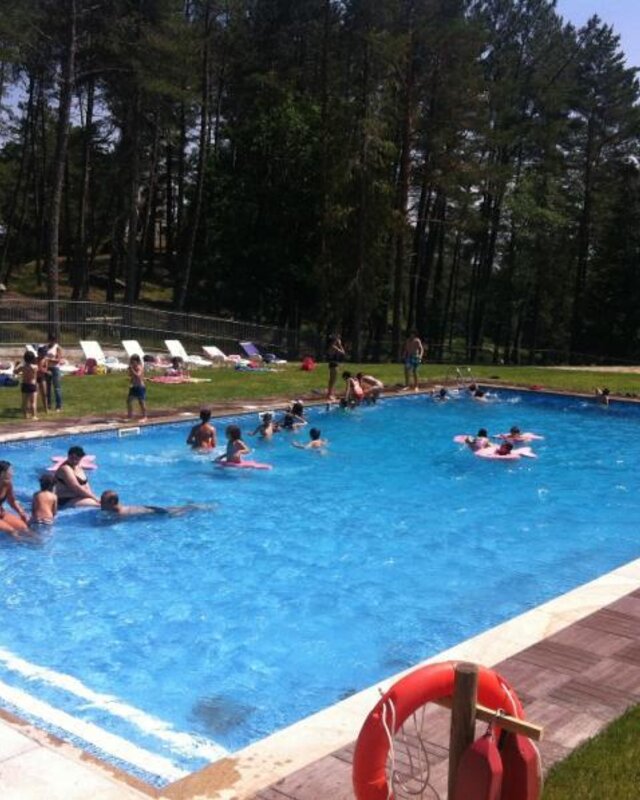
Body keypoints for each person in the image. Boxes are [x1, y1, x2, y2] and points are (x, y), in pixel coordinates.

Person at [100, 490, 196, 517]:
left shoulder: (120, 514)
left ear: (112, 503)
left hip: (156, 512)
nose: (101, 504)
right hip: (150, 509)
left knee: (172, 513)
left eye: (103, 502)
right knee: (172, 509)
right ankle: (190, 506)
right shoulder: (119, 507)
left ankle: (193, 507)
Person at [0, 461, 29, 537]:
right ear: (2, 473)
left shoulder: (8, 484)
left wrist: (21, 512)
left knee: (23, 527)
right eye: (9, 471)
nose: (12, 473)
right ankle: (22, 544)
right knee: (12, 531)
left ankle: (38, 542)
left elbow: (12, 501)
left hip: (1, 513)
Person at [15, 350, 38, 420]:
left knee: (24, 401)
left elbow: (15, 371)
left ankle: (25, 415)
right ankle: (34, 416)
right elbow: (35, 375)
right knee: (33, 402)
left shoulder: (22, 367)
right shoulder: (35, 367)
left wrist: (18, 365)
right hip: (32, 384)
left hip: (25, 384)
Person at [45, 332, 63, 412]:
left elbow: (58, 360)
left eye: (53, 340)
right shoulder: (46, 347)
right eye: (50, 340)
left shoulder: (57, 347)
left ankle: (58, 406)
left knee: (57, 388)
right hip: (47, 368)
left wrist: (48, 359)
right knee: (47, 388)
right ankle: (48, 405)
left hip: (55, 368)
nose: (51, 341)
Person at [127, 354, 147, 421]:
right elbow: (131, 376)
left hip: (140, 387)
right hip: (134, 386)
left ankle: (145, 417)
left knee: (141, 402)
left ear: (137, 361)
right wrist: (130, 371)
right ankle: (130, 416)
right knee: (129, 401)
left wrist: (132, 369)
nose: (132, 363)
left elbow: (138, 376)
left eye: (133, 361)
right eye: (131, 361)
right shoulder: (133, 367)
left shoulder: (139, 367)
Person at [326, 334, 346, 400]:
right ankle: (329, 395)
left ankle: (330, 394)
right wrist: (340, 344)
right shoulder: (333, 347)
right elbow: (343, 353)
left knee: (332, 380)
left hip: (333, 364)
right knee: (332, 380)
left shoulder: (332, 346)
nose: (337, 341)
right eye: (336, 340)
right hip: (333, 365)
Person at [36, 346, 50, 414]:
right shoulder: (35, 359)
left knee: (44, 394)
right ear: (38, 353)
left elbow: (45, 368)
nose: (43, 355)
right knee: (35, 394)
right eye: (42, 353)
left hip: (42, 378)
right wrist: (41, 370)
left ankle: (46, 409)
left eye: (44, 353)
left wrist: (44, 371)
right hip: (35, 378)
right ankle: (33, 409)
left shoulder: (45, 360)